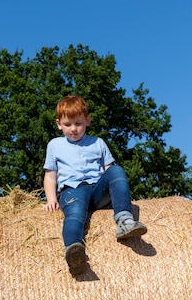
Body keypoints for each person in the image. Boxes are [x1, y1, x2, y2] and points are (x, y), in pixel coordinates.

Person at [43, 95, 147, 275]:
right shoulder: (55, 145)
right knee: (75, 215)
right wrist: (51, 198)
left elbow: (110, 172)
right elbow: (51, 175)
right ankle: (74, 251)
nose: (73, 129)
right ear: (59, 124)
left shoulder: (98, 143)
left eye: (78, 123)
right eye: (68, 125)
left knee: (116, 170)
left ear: (87, 121)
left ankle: (125, 221)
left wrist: (119, 194)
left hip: (97, 191)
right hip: (72, 191)